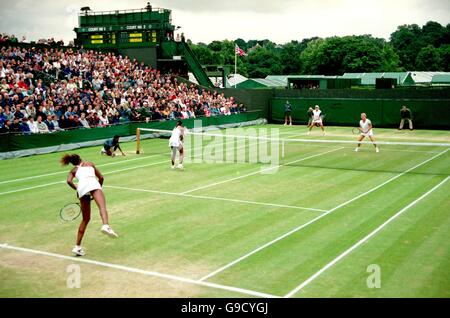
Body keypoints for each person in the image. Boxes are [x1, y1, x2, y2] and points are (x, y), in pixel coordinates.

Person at [62, 154, 118, 256]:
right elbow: (101, 178)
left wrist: (76, 188)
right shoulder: (90, 164)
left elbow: (68, 181)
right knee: (102, 207)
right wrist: (97, 189)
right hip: (93, 184)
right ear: (80, 159)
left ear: (72, 162)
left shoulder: (73, 170)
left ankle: (77, 247)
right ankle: (106, 226)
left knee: (85, 219)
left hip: (82, 189)